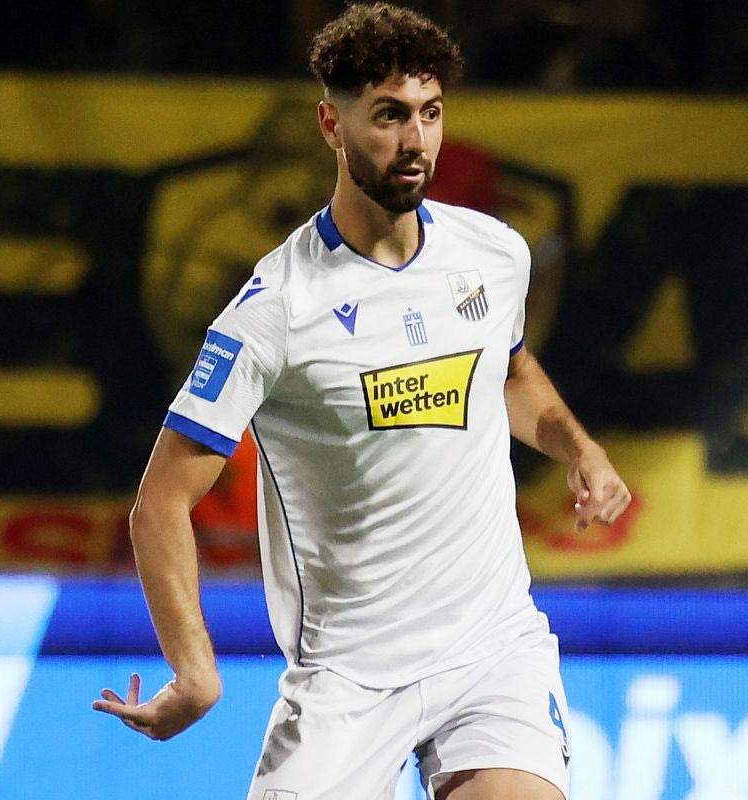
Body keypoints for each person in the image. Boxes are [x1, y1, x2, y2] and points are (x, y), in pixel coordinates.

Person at [92, 4, 631, 799]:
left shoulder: (493, 253)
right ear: (331, 125)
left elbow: (509, 371)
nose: (416, 140)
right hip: (349, 678)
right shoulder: (274, 309)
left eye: (430, 113)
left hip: (491, 649)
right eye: (388, 116)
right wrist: (195, 669)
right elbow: (161, 502)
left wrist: (578, 448)